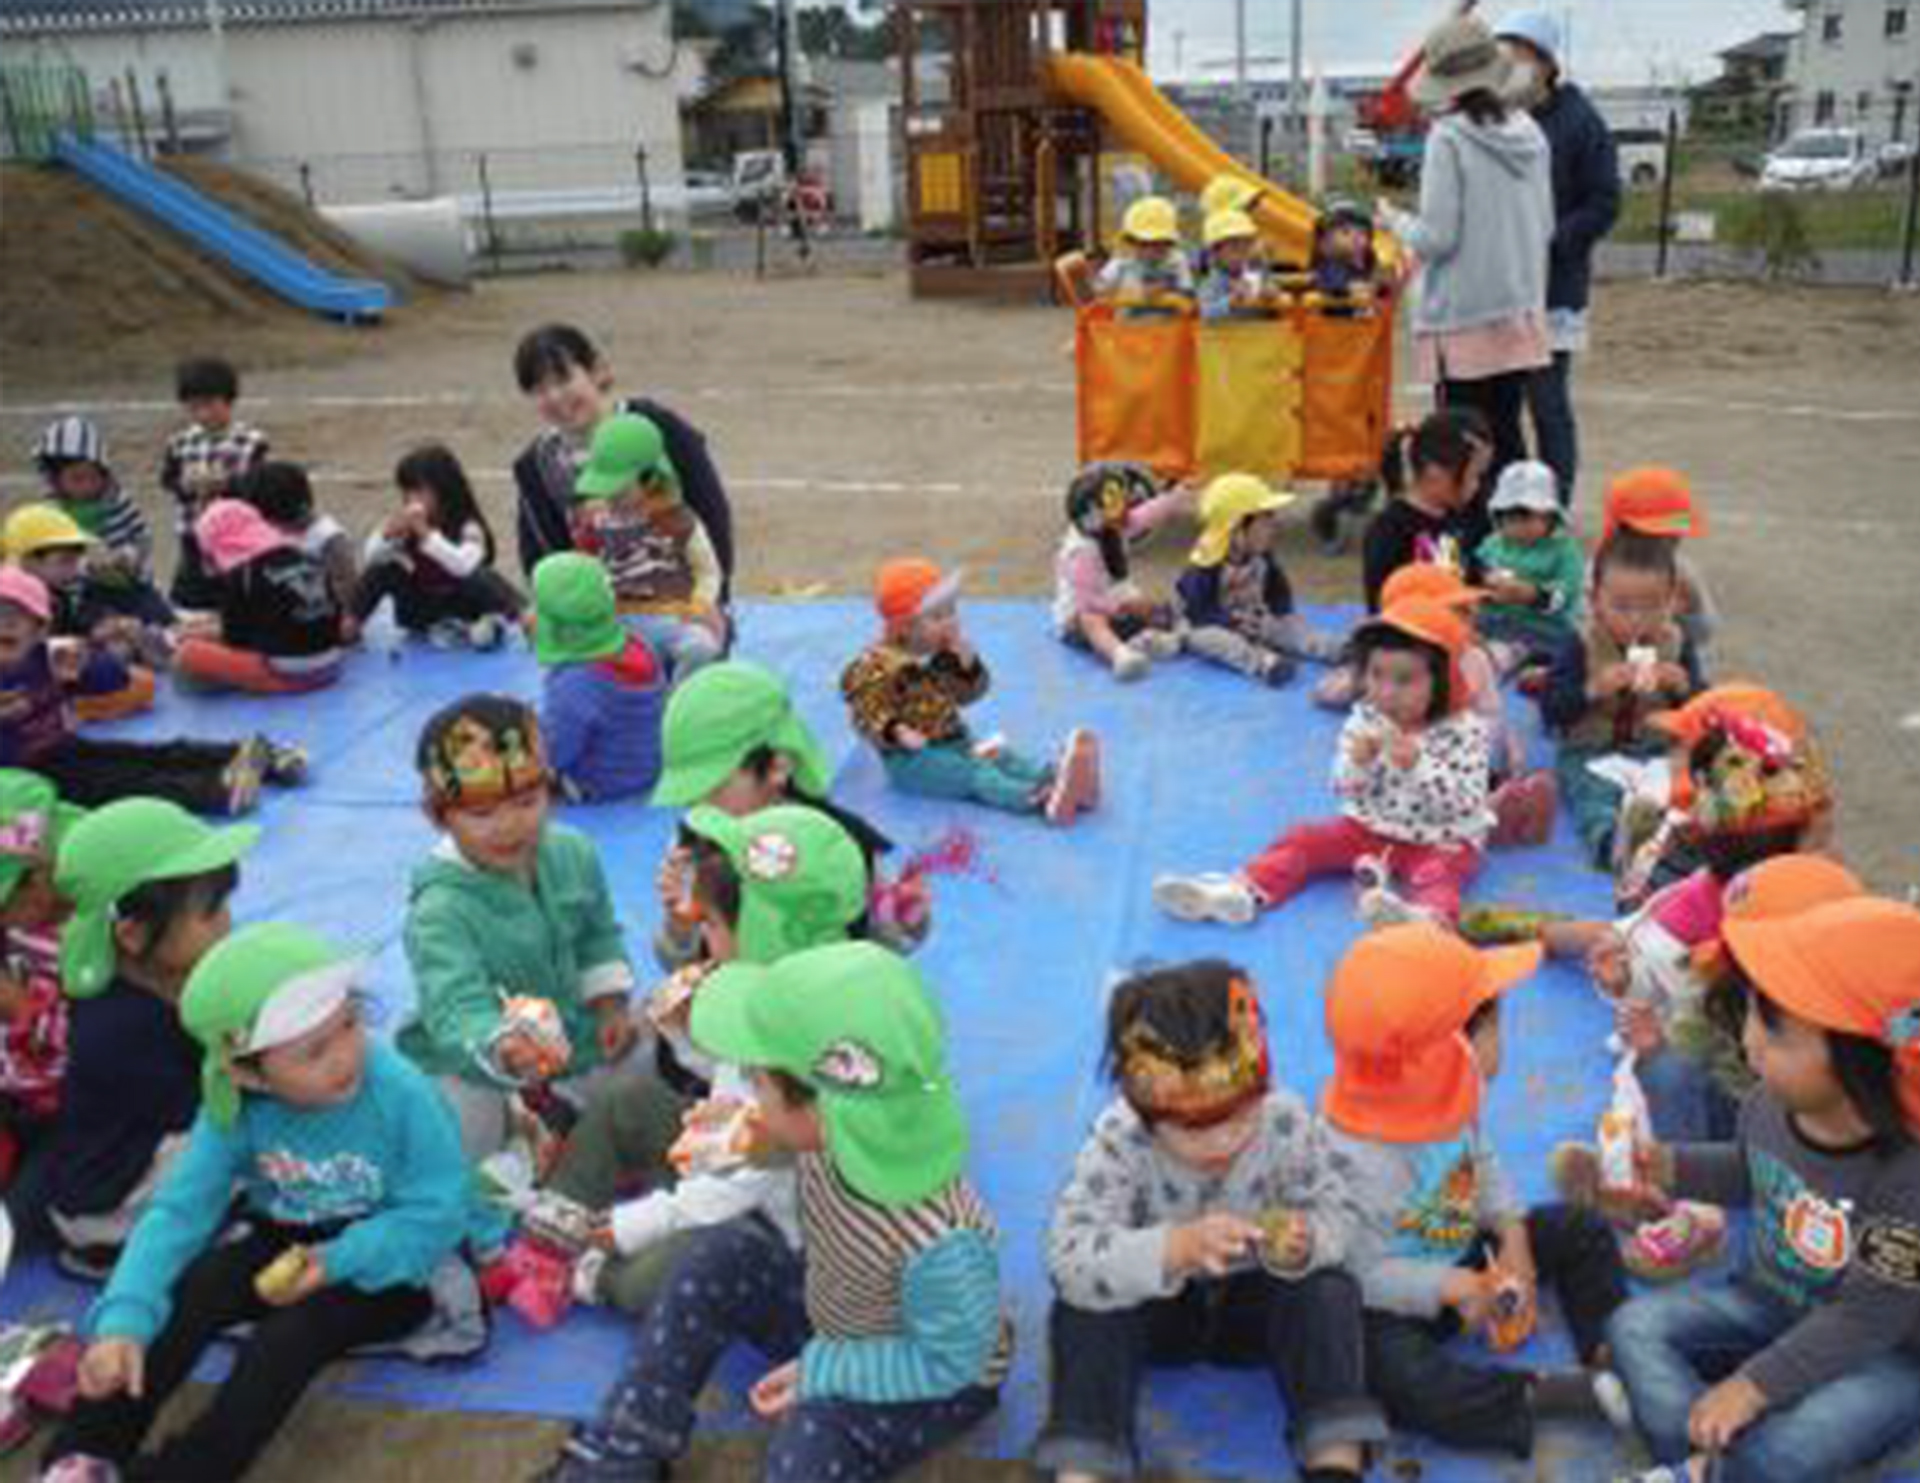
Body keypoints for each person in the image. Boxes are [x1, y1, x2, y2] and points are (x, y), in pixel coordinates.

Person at [537, 940, 1010, 1483]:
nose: (748, 1097)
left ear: (821, 1110)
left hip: (930, 1374)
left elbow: (952, 1361)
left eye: (756, 1083)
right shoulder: (831, 1135)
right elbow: (783, 1139)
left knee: (812, 1433)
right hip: (839, 1314)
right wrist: (757, 1141)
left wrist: (822, 1371)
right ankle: (623, 1451)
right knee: (721, 1253)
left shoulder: (940, 1240)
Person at [39, 923, 473, 1483]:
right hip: (284, 1236)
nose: (345, 1056)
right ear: (247, 1072)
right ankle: (82, 1456)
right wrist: (122, 1322)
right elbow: (177, 1214)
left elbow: (437, 1214)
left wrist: (337, 1261)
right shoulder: (235, 1106)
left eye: (348, 1024)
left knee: (287, 1340)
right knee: (192, 1289)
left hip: (391, 1262)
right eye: (314, 1051)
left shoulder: (402, 1093)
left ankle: (188, 1473)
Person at [1570, 898, 1920, 1483]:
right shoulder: (1771, 1102)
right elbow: (1747, 1168)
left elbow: (1868, 1318)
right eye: (1755, 1014)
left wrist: (1754, 1385)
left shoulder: (1908, 1176)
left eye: (1776, 1032)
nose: (1752, 1042)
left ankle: (1706, 1463)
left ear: (1863, 1064)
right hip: (1770, 1302)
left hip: (1885, 1353)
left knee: (1795, 1449)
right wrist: (1664, 1167)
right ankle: (1711, 1464)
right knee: (1634, 1326)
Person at [1034, 959, 1386, 1483]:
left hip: (1256, 1311)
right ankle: (1084, 1468)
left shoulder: (1284, 1121)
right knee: (1081, 1310)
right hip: (1160, 1317)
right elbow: (1066, 1255)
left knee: (1329, 1290)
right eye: (1196, 1130)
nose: (1224, 1142)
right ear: (1147, 1114)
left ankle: (1334, 1458)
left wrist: (1305, 1242)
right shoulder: (1121, 1140)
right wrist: (1171, 1249)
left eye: (1241, 1117)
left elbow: (1342, 1210)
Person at [1324, 925, 1631, 1459]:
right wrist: (1452, 1286)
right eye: (1495, 1025)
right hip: (1395, 1294)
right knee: (1395, 1377)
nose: (1502, 1038)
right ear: (1454, 1050)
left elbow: (1480, 1162)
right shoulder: (1357, 1156)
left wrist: (1512, 1236)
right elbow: (1360, 1270)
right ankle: (1537, 1398)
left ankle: (1609, 1350)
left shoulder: (1446, 1093)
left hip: (1463, 1247)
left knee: (1579, 1227)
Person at [553, 804, 870, 1314]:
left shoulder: (802, 1043)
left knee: (656, 1280)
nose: (706, 940)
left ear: (765, 932)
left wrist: (630, 1228)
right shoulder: (792, 986)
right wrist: (684, 1038)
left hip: (770, 1224)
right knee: (629, 1100)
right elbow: (730, 1077)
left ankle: (594, 1273)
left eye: (715, 925)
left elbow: (741, 1182)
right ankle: (559, 1208)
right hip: (725, 1161)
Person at [1154, 595, 1493, 929]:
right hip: (1370, 829)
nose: (1387, 693)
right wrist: (1358, 765)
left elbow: (1464, 804)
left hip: (1440, 838)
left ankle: (1426, 919)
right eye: (1376, 675)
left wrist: (1418, 766)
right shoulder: (1367, 718)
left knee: (1440, 871)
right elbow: (1344, 789)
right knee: (1303, 839)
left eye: (1405, 680)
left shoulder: (1465, 730)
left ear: (1443, 681)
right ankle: (1241, 891)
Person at [397, 695, 638, 1162]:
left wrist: (609, 1004)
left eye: (527, 802)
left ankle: (557, 1115)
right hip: (474, 1063)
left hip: (572, 1035)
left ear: (549, 790)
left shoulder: (572, 852)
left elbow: (597, 935)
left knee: (652, 1053)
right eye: (481, 814)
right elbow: (456, 1006)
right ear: (438, 816)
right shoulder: (439, 911)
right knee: (469, 1134)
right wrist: (502, 1045)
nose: (509, 826)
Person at [42, 798, 256, 1272]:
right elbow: (203, 1108)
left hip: (134, 1158)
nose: (226, 923)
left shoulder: (151, 978)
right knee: (256, 1135)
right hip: (107, 1208)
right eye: (211, 911)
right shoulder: (122, 1027)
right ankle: (133, 1256)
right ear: (133, 934)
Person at [1378, 12, 1554, 547]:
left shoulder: (1448, 139)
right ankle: (1526, 539)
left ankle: (1471, 545)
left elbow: (1436, 238)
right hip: (1517, 307)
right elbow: (1545, 223)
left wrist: (1393, 219)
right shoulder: (1529, 133)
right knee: (1506, 434)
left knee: (1459, 444)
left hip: (1460, 313)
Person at [650, 659, 927, 965]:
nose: (698, 807)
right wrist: (680, 926)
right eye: (688, 792)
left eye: (712, 787)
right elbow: (679, 963)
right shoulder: (696, 844)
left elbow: (887, 943)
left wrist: (906, 918)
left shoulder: (838, 842)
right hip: (740, 1004)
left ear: (777, 767)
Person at [0, 566, 292, 817]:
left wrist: (87, 662)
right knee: (122, 785)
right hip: (22, 777)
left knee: (139, 755)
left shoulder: (49, 658)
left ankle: (247, 754)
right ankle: (213, 790)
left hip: (59, 747)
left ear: (39, 630)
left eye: (10, 618)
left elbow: (114, 681)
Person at [842, 558, 1099, 825]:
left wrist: (966, 668)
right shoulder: (876, 665)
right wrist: (895, 730)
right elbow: (863, 710)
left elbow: (964, 697)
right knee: (977, 774)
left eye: (952, 611)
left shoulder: (936, 654)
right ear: (905, 627)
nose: (950, 622)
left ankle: (1062, 779)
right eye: (938, 616)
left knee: (1000, 755)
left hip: (955, 741)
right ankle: (1039, 800)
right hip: (912, 762)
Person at [1496, 9, 1620, 506]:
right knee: (1500, 406)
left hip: (1552, 290)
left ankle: (1555, 508)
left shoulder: (1580, 121)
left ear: (1546, 62)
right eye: (1501, 54)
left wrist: (1549, 242)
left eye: (1518, 54)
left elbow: (1604, 202)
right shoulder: (1499, 115)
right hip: (1499, 288)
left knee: (1546, 405)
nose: (1508, 65)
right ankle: (1511, 506)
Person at [511, 323, 735, 594]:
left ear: (596, 371)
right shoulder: (537, 466)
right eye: (538, 389)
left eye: (563, 380)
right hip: (599, 617)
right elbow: (543, 556)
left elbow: (712, 513)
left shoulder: (654, 427)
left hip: (684, 605)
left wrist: (712, 604)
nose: (555, 397)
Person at [1541, 528, 1706, 870]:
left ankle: (1675, 839)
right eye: (1621, 606)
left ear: (1672, 600)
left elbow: (1703, 711)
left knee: (1682, 791)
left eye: (1652, 607)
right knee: (1590, 794)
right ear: (1595, 600)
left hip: (1655, 749)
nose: (1636, 620)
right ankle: (1612, 844)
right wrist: (1592, 690)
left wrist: (1683, 688)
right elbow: (1551, 709)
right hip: (1591, 750)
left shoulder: (1676, 642)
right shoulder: (1581, 643)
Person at [569, 412, 727, 679]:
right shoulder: (596, 518)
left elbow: (708, 570)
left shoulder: (677, 519)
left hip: (672, 616)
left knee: (701, 648)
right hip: (618, 622)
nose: (611, 498)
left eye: (619, 490)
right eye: (605, 489)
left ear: (650, 478)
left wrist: (700, 605)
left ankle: (676, 701)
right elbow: (586, 567)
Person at [0, 771, 82, 1245]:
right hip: (22, 1085)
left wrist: (26, 1009)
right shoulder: (25, 908)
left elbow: (111, 1058)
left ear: (41, 876)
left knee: (19, 1219)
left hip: (78, 1106)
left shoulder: (107, 924)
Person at [1177, 473, 1346, 687]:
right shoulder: (1206, 565)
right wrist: (1233, 622)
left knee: (1291, 629)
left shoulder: (1262, 556)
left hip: (1254, 617)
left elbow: (1278, 590)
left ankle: (1331, 648)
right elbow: (1197, 611)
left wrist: (1283, 615)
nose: (1273, 528)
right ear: (1236, 529)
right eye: (1265, 522)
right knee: (1208, 639)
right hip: (1213, 623)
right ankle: (1263, 663)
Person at [353, 444, 524, 650]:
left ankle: (526, 617)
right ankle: (349, 624)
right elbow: (370, 557)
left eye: (418, 491)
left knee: (483, 576)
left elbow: (465, 565)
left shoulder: (467, 526)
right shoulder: (405, 526)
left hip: (463, 606)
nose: (411, 499)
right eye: (407, 492)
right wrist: (385, 536)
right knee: (383, 568)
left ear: (444, 488)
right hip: (420, 610)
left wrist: (427, 535)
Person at [4, 504, 168, 714]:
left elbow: (69, 632)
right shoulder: (19, 607)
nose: (74, 570)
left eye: (75, 561)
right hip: (33, 690)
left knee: (126, 663)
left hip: (58, 671)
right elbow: (39, 658)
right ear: (26, 561)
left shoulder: (57, 593)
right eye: (64, 561)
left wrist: (99, 631)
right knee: (140, 684)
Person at [175, 496, 345, 696]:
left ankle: (268, 685)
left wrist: (201, 633)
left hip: (292, 674)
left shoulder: (242, 574)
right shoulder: (303, 554)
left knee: (187, 655)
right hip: (332, 663)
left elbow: (237, 641)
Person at [532, 553, 666, 804]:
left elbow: (555, 753)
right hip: (647, 770)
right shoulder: (638, 645)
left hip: (599, 784)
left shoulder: (575, 683)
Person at [1051, 464, 1191, 681]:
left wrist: (1174, 498)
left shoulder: (1113, 526)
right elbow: (1086, 602)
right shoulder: (1081, 553)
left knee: (1159, 607)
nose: (1125, 510)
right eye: (1115, 504)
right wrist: (1120, 607)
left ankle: (1146, 641)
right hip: (1078, 620)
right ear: (1095, 514)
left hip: (1117, 602)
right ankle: (1120, 655)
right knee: (1092, 620)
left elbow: (1144, 516)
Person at [158, 356, 270, 611]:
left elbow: (259, 486)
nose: (202, 414)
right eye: (193, 407)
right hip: (193, 534)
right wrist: (185, 485)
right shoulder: (180, 442)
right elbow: (168, 480)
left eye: (209, 405)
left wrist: (227, 485)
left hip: (236, 536)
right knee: (188, 600)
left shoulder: (251, 441)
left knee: (237, 597)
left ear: (229, 400)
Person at [1360, 408, 1492, 613]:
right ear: (1435, 472)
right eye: (1474, 475)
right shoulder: (1390, 530)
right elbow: (1382, 605)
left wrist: (1489, 582)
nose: (1477, 485)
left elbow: (1468, 575)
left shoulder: (1462, 517)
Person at [1596, 466, 1718, 658]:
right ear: (1623, 530)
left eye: (1675, 536)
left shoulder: (1683, 570)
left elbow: (1705, 633)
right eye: (1661, 536)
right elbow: (1582, 629)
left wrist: (1691, 609)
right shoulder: (1603, 571)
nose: (1671, 542)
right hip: (1607, 663)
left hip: (1668, 663)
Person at [1473, 459, 1585, 670]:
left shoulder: (1562, 550)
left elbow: (1568, 592)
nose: (1518, 527)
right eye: (1510, 519)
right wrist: (1484, 582)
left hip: (1544, 629)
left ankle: (1512, 661)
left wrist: (1534, 595)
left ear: (1550, 517)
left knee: (1564, 655)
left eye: (1527, 518)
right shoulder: (1494, 543)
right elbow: (1475, 570)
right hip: (1495, 622)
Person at [33, 415, 156, 592]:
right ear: (56, 480)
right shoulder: (51, 513)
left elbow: (141, 537)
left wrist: (128, 556)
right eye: (77, 479)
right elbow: (44, 559)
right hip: (75, 593)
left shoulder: (117, 501)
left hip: (127, 587)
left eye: (94, 477)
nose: (87, 486)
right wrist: (84, 566)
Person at [240, 459, 359, 635]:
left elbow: (349, 592)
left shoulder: (328, 538)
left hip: (314, 631)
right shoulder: (268, 531)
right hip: (282, 622)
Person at [1093, 197, 1194, 314]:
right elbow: (1099, 289)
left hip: (1169, 326)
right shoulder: (1122, 261)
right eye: (1144, 244)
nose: (1151, 250)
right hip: (1127, 327)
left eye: (1158, 243)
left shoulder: (1176, 260)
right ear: (1132, 242)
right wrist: (1135, 293)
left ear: (1169, 242)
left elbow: (1188, 295)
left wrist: (1170, 292)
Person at [1196, 210, 1275, 321]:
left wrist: (1271, 295)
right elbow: (1204, 312)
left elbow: (1275, 304)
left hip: (1259, 332)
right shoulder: (1213, 281)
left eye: (1247, 248)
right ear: (1216, 254)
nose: (1241, 257)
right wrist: (1231, 301)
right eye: (1234, 249)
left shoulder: (1259, 275)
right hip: (1226, 335)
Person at [1310, 198, 1382, 298]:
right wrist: (1348, 289)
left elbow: (1375, 282)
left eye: (1363, 234)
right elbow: (1328, 283)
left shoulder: (1363, 260)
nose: (1357, 240)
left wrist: (1374, 285)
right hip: (1336, 307)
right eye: (1345, 232)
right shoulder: (1330, 263)